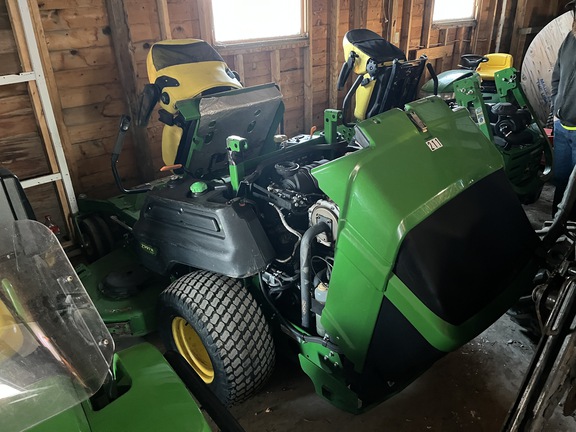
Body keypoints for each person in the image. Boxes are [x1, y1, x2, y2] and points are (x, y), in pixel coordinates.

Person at [552, 0, 576, 216]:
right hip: (562, 126)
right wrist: (555, 107)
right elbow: (557, 76)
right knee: (560, 179)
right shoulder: (569, 40)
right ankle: (554, 229)